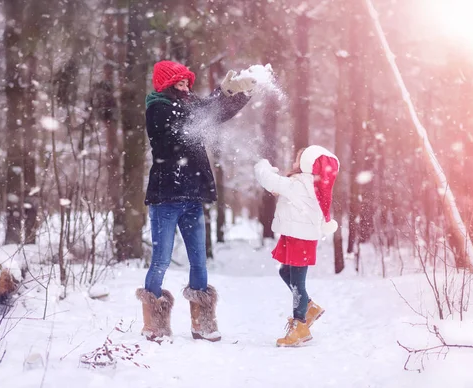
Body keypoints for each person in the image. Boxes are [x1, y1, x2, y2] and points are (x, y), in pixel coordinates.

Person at [136, 60, 257, 342]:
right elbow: (195, 117)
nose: (185, 87)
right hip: (166, 197)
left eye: (187, 83)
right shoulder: (158, 108)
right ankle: (153, 322)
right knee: (161, 260)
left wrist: (235, 95)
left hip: (192, 196)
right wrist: (218, 96)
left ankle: (202, 323)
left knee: (199, 261)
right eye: (179, 83)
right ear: (166, 85)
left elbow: (211, 113)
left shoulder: (188, 104)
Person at [254, 145, 340, 347]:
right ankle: (309, 307)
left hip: (299, 238)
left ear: (306, 164)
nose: (294, 162)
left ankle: (300, 325)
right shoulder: (312, 184)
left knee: (297, 282)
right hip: (297, 236)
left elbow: (269, 181)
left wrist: (262, 166)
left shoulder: (299, 184)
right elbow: (282, 190)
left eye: (297, 159)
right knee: (286, 273)